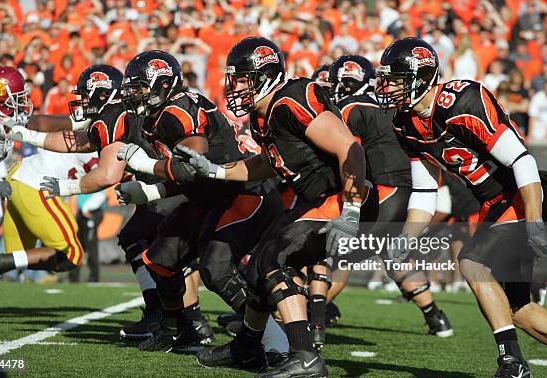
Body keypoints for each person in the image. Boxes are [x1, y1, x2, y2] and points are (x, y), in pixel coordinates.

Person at [152, 36, 376, 377]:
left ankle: (305, 356)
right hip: (313, 200)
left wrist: (352, 210)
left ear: (266, 75)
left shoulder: (292, 100)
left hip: (341, 198)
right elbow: (267, 165)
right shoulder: (265, 114)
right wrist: (213, 169)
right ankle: (247, 346)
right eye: (235, 79)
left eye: (243, 78)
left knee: (275, 260)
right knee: (257, 268)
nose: (236, 86)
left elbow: (351, 149)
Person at [375, 37, 547, 377]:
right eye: (387, 78)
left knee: (470, 263)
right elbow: (425, 189)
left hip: (519, 194)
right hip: (492, 205)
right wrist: (405, 239)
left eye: (396, 78)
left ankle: (512, 364)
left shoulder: (462, 100)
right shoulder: (404, 123)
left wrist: (533, 224)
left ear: (421, 78)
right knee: (518, 309)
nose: (388, 86)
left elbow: (522, 161)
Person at [9, 64, 212, 342]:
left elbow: (107, 175)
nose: (81, 101)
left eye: (86, 94)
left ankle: (186, 321)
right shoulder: (113, 114)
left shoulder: (115, 115)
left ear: (103, 94)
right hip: (165, 182)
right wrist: (24, 134)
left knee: (181, 254)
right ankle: (175, 318)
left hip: (175, 183)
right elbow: (76, 141)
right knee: (142, 240)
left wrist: (66, 188)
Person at [116, 50, 283, 353]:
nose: (134, 94)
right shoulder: (161, 113)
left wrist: (144, 166)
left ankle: (273, 340)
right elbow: (188, 178)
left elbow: (192, 164)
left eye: (140, 86)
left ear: (162, 85)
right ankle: (176, 332)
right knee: (160, 259)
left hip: (242, 193)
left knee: (216, 270)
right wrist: (151, 192)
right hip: (210, 197)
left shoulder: (177, 112)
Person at [311, 55, 453, 351]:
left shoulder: (351, 107)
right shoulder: (393, 104)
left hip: (388, 191)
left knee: (333, 254)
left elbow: (348, 155)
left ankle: (311, 324)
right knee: (392, 254)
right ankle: (436, 317)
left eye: (346, 83)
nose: (339, 88)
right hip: (416, 193)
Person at [68, 191, 106, 283]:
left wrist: (86, 208)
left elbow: (100, 194)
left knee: (91, 245)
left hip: (91, 212)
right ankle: (74, 276)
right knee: (78, 244)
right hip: (82, 213)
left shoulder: (95, 177)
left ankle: (94, 276)